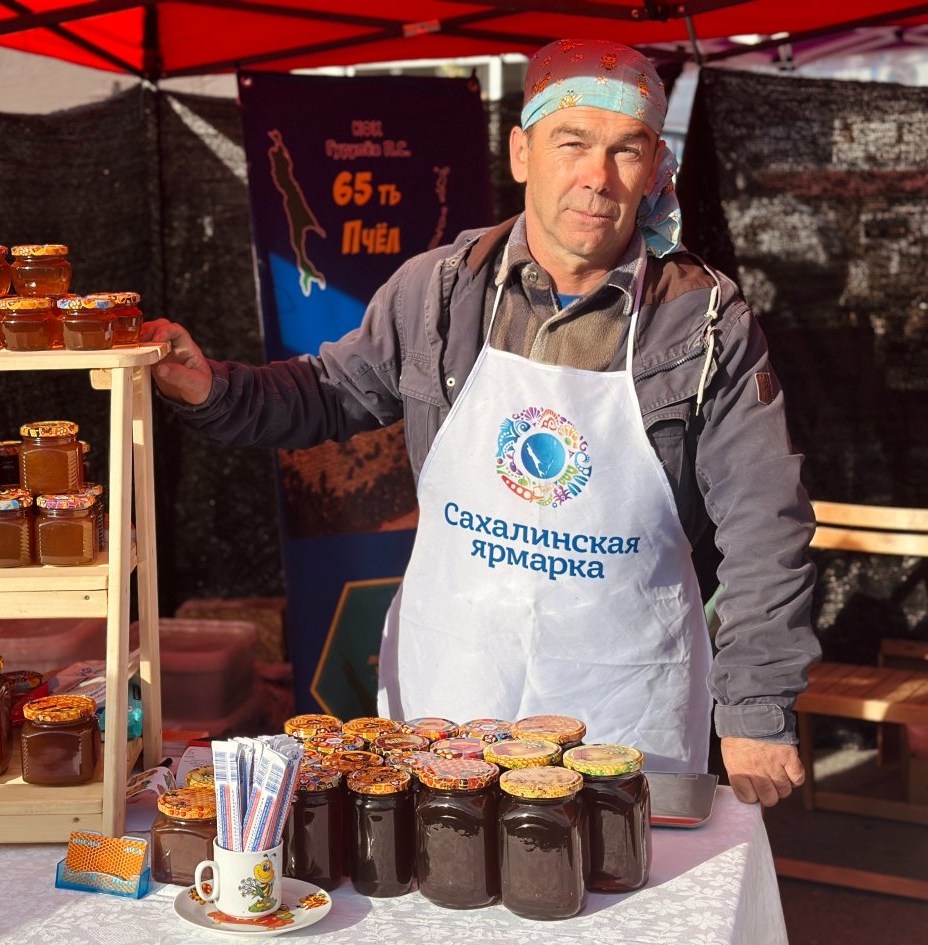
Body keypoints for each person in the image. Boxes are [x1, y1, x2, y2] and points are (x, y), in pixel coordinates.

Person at [141, 38, 820, 807]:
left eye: (625, 151)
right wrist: (208, 389)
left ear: (655, 167)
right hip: (453, 688)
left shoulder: (705, 323)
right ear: (522, 152)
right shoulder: (439, 291)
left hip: (626, 709)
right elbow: (328, 393)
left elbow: (768, 522)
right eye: (573, 144)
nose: (597, 178)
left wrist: (757, 708)